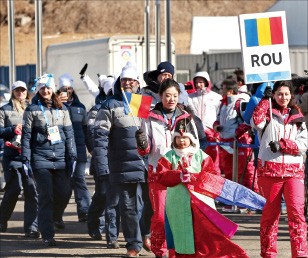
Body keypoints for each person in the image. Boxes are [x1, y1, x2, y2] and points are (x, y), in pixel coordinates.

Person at [155, 117, 249, 258]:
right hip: (177, 204)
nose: (181, 141)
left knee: (205, 234)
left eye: (185, 138)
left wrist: (194, 178)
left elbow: (212, 177)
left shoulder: (201, 156)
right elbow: (161, 176)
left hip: (201, 202)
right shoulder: (169, 157)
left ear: (192, 139)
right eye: (178, 138)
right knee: (180, 235)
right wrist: (178, 176)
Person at [135, 78, 202, 258]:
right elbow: (145, 150)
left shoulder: (186, 118)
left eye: (174, 96)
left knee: (178, 215)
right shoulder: (150, 117)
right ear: (160, 96)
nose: (171, 99)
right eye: (167, 96)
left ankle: (177, 251)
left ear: (179, 96)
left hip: (181, 173)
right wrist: (141, 143)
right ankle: (160, 251)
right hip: (157, 171)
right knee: (159, 216)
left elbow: (195, 145)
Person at [93, 62, 146, 257]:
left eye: (132, 80)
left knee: (145, 207)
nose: (128, 83)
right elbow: (99, 138)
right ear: (119, 81)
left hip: (145, 165)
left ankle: (145, 236)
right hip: (122, 166)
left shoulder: (144, 102)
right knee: (128, 207)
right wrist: (102, 166)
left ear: (137, 82)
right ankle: (133, 245)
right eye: (124, 80)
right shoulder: (109, 105)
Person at [251, 80, 307, 258]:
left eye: (286, 94)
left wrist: (283, 145)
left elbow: (303, 144)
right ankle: (268, 254)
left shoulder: (297, 116)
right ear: (273, 95)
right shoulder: (266, 112)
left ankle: (300, 254)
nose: (283, 97)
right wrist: (262, 101)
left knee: (297, 215)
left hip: (294, 173)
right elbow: (256, 122)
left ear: (291, 96)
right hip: (270, 172)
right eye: (279, 94)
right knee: (269, 216)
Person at [21, 74, 77, 246]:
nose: (45, 90)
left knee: (64, 192)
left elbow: (69, 135)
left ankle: (54, 216)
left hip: (60, 158)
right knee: (46, 196)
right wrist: (26, 158)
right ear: (38, 89)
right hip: (40, 158)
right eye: (42, 87)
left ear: (53, 89)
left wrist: (72, 155)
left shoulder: (63, 109)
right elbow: (26, 136)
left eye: (48, 87)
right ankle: (47, 234)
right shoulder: (32, 110)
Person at [0, 81, 39, 238]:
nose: (20, 92)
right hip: (12, 156)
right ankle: (2, 219)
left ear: (26, 92)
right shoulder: (5, 109)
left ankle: (31, 227)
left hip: (29, 156)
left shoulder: (33, 108)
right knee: (13, 189)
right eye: (17, 90)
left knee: (31, 189)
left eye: (23, 90)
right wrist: (12, 130)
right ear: (13, 92)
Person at [86, 76, 121, 248]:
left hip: (120, 161)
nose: (110, 95)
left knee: (116, 200)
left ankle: (113, 234)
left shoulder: (128, 105)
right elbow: (93, 138)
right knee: (103, 196)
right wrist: (98, 159)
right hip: (102, 160)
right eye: (108, 92)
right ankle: (94, 223)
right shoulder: (96, 110)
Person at [57, 73, 91, 224]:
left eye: (69, 88)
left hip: (79, 150)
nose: (67, 91)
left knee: (79, 179)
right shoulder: (56, 107)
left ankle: (84, 211)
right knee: (63, 186)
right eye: (64, 89)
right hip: (61, 151)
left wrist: (92, 148)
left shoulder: (80, 107)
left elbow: (86, 130)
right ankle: (57, 215)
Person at [214, 79, 256, 193]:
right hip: (224, 143)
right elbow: (217, 120)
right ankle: (230, 197)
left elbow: (247, 122)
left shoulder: (240, 102)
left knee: (244, 171)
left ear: (230, 91)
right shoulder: (222, 103)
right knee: (228, 172)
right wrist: (216, 126)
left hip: (239, 142)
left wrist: (237, 133)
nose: (221, 91)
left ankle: (248, 197)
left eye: (223, 88)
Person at [187, 71, 222, 174]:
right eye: (196, 82)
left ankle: (215, 183)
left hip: (211, 133)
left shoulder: (216, 97)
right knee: (197, 160)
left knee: (213, 161)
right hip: (195, 133)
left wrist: (216, 129)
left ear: (207, 82)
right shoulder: (190, 97)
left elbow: (219, 114)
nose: (199, 85)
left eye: (201, 82)